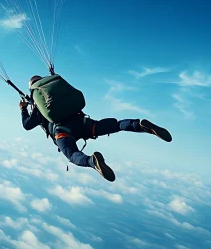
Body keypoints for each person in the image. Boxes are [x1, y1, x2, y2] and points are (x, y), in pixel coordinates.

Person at [20, 75, 172, 182]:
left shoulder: (39, 106)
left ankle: (92, 161)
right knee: (116, 125)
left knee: (73, 155)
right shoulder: (56, 88)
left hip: (63, 131)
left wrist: (23, 109)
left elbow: (27, 125)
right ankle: (139, 125)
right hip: (83, 123)